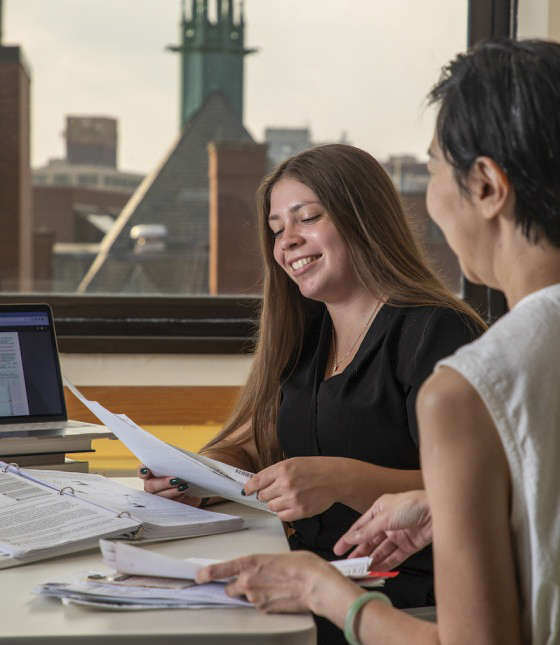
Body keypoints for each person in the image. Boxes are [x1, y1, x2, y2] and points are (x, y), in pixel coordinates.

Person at [196, 38, 560, 645]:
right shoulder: (311, 339)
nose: (430, 195)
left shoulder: (469, 382)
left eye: (435, 169)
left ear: (489, 187)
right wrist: (433, 501)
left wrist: (321, 588)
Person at [139, 143, 484, 638]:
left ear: (363, 218)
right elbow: (258, 443)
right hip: (306, 568)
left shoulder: (437, 332)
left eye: (308, 218)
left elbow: (477, 490)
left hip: (402, 592)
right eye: (278, 230)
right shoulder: (305, 335)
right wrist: (194, 476)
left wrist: (344, 479)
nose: (288, 242)